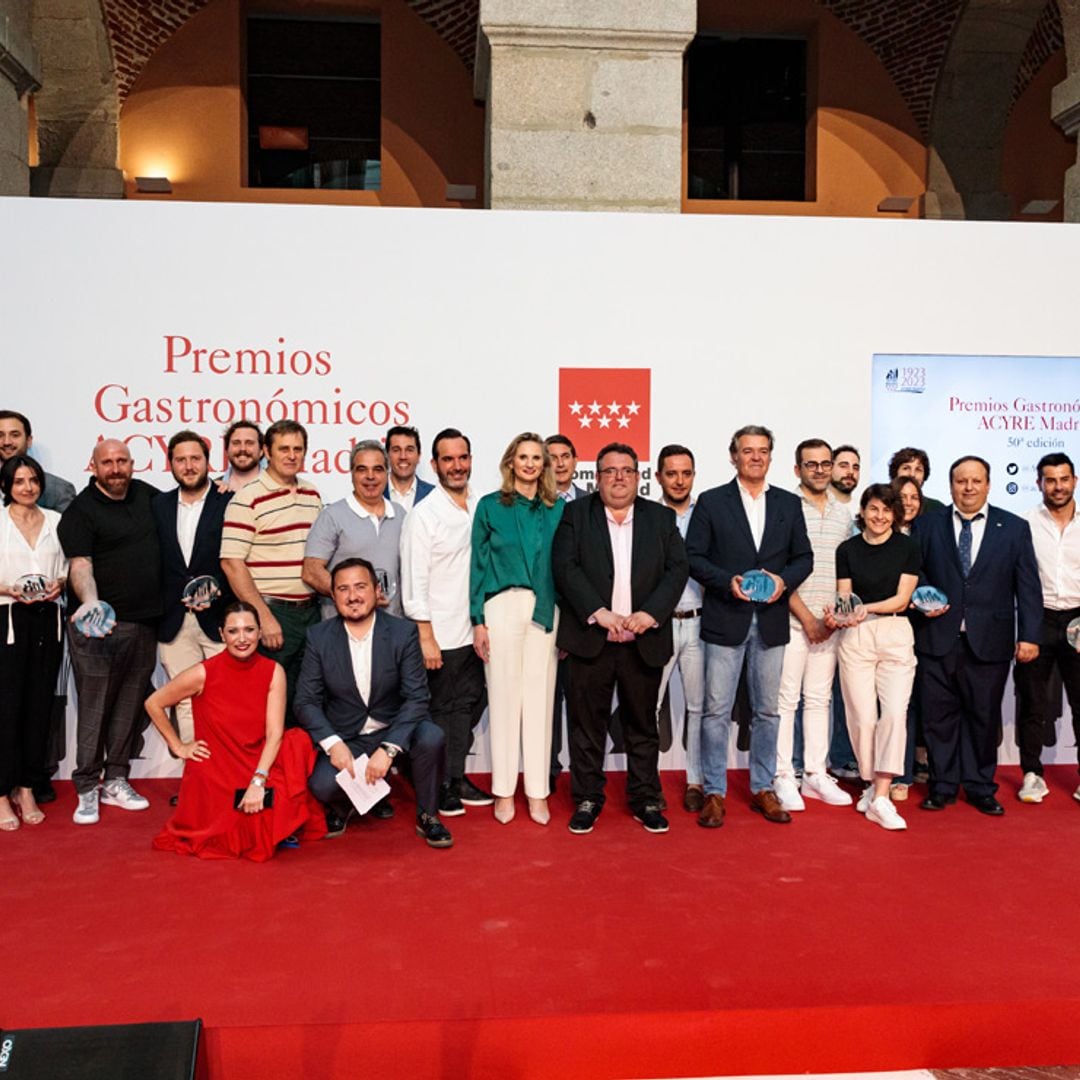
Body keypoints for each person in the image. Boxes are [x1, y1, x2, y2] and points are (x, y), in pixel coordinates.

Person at [552, 441, 688, 835]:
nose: (618, 478)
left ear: (638, 476)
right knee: (585, 726)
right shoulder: (575, 514)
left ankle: (646, 797)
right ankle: (588, 798)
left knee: (643, 726)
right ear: (597, 478)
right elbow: (565, 567)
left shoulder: (661, 518)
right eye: (610, 471)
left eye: (627, 470)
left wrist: (651, 614)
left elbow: (678, 569)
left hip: (642, 641)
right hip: (590, 639)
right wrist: (598, 612)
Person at [686, 424, 813, 828]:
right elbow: (694, 557)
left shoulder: (788, 505)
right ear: (733, 456)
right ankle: (714, 792)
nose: (755, 457)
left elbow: (804, 558)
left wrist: (782, 581)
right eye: (747, 450)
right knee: (716, 711)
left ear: (771, 457)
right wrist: (729, 583)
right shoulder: (711, 501)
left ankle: (762, 787)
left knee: (768, 712)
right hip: (727, 619)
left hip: (773, 622)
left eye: (762, 451)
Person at [913, 455, 1042, 816]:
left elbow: (1028, 586)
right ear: (950, 484)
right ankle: (941, 786)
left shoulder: (1014, 527)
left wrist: (1030, 635)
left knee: (983, 718)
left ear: (988, 484)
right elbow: (915, 573)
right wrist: (925, 597)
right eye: (960, 481)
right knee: (938, 719)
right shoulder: (928, 526)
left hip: (991, 640)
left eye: (975, 481)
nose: (968, 487)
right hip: (937, 637)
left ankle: (981, 786)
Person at [147, 601, 325, 860]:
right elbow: (154, 703)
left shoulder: (273, 671)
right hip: (218, 767)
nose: (242, 638)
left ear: (260, 632)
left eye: (249, 630)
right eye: (233, 631)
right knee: (239, 833)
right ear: (222, 635)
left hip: (259, 760)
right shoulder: (203, 673)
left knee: (293, 747)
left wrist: (258, 780)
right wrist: (179, 746)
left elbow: (275, 734)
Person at [295, 558, 452, 848]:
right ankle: (350, 804)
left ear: (377, 590)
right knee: (322, 784)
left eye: (360, 587)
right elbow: (305, 701)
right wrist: (333, 743)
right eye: (343, 589)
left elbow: (417, 697)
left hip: (394, 728)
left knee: (431, 736)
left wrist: (389, 748)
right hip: (348, 736)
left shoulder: (403, 633)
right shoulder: (319, 637)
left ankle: (428, 815)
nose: (352, 596)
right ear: (334, 595)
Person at [58, 439, 161, 825]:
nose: (115, 469)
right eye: (108, 463)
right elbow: (80, 566)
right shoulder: (81, 511)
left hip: (144, 624)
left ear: (132, 463)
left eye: (122, 461)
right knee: (95, 709)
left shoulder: (147, 497)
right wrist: (92, 605)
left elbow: (186, 502)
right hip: (97, 629)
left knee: (129, 706)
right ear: (94, 465)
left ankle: (116, 779)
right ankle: (86, 786)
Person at [470, 433, 563, 825]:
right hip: (501, 606)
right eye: (522, 457)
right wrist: (478, 620)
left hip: (546, 609)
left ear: (544, 465)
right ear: (510, 462)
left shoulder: (558, 508)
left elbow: (567, 568)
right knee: (505, 700)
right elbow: (477, 564)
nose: (529, 464)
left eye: (536, 458)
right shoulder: (490, 506)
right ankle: (504, 791)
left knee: (539, 702)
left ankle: (537, 792)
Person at [400, 428, 492, 816]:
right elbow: (414, 578)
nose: (457, 466)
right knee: (442, 713)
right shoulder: (424, 515)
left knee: (469, 706)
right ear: (434, 465)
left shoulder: (482, 505)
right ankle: (440, 784)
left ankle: (455, 778)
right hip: (440, 632)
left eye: (463, 458)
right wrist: (425, 635)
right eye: (448, 459)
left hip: (477, 629)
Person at [828, 484, 921, 831]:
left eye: (887, 510)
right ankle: (871, 786)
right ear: (863, 511)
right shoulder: (847, 549)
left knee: (894, 714)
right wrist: (839, 614)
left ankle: (881, 794)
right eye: (873, 509)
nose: (880, 516)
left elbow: (901, 599)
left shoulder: (909, 548)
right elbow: (844, 599)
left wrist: (861, 609)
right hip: (856, 636)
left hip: (896, 633)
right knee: (862, 718)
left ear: (895, 515)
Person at [220, 419, 322, 723]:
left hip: (311, 612)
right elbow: (231, 563)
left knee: (305, 700)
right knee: (266, 704)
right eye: (284, 449)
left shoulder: (312, 494)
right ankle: (261, 769)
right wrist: (263, 617)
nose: (291, 455)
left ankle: (293, 767)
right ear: (267, 451)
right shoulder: (247, 498)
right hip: (274, 613)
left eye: (298, 449)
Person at [773, 439, 853, 812]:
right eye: (811, 464)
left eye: (826, 464)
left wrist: (833, 617)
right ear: (797, 469)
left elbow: (846, 574)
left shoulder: (845, 514)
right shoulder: (785, 509)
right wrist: (806, 618)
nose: (820, 470)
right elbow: (778, 570)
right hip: (792, 619)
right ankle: (783, 776)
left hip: (830, 623)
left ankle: (816, 774)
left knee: (820, 700)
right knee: (786, 701)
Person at [152, 431, 232, 745]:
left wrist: (218, 592)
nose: (188, 466)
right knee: (184, 702)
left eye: (195, 458)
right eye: (180, 459)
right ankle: (195, 777)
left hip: (220, 619)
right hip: (173, 619)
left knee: (226, 699)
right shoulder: (158, 504)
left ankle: (227, 778)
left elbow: (241, 559)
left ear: (208, 462)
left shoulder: (229, 501)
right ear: (170, 463)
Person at [0, 455, 67, 831]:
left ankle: (26, 787)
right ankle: (0, 793)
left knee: (39, 707)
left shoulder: (56, 522)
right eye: (19, 481)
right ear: (7, 485)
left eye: (33, 480)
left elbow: (69, 567)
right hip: (6, 618)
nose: (27, 487)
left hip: (47, 619)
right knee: (6, 708)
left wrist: (61, 582)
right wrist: (8, 588)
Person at [1014, 453, 1080, 803]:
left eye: (1064, 479)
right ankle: (1031, 774)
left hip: (1079, 618)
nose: (1057, 486)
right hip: (1036, 618)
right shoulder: (1024, 524)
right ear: (1039, 483)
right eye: (1050, 480)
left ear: (1075, 481)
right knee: (1032, 703)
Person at [653, 444, 706, 812]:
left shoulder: (708, 516)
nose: (679, 480)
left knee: (699, 708)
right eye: (671, 473)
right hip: (659, 624)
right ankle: (648, 781)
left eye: (685, 473)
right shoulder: (646, 516)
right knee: (648, 706)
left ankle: (696, 781)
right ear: (658, 477)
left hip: (701, 624)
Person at [304, 440, 406, 618]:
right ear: (351, 474)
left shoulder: (400, 514)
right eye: (362, 469)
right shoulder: (332, 516)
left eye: (378, 469)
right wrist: (357, 596)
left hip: (392, 627)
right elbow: (311, 571)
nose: (370, 476)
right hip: (343, 628)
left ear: (387, 473)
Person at [543, 433, 586, 794]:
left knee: (582, 698)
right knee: (545, 699)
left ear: (575, 461)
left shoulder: (592, 503)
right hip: (540, 616)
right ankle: (548, 766)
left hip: (582, 618)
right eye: (551, 456)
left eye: (565, 456)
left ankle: (584, 769)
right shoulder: (533, 504)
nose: (559, 463)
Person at [890, 474, 929, 798]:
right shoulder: (876, 533)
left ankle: (904, 772)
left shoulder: (930, 532)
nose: (908, 503)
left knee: (910, 703)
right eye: (902, 497)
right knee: (887, 706)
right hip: (886, 624)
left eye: (914, 497)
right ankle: (882, 774)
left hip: (926, 627)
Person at [0, 410, 76, 513]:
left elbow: (70, 528)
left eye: (15, 435)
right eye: (0, 435)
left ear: (29, 440)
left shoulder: (57, 490)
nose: (7, 442)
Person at [385, 425, 434, 511]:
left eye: (409, 450)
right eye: (396, 450)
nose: (403, 456)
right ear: (387, 456)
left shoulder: (434, 494)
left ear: (418, 456)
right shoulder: (375, 493)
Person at [888, 447, 944, 514]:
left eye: (918, 469)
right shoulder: (882, 503)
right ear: (895, 473)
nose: (912, 474)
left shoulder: (936, 508)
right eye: (906, 468)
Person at [217, 420, 263, 493]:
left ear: (261, 451)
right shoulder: (212, 489)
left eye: (249, 443)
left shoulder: (278, 487)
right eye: (236, 443)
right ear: (226, 450)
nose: (242, 448)